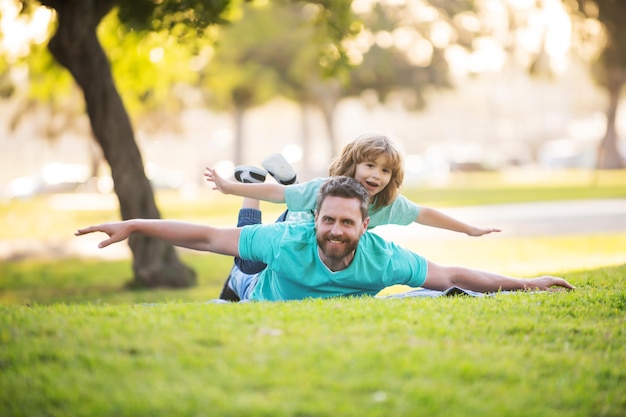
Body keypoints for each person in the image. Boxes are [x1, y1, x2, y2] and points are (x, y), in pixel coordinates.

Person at [75, 176, 574, 301]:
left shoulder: (383, 257)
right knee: (243, 259)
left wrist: (529, 283)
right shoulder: (291, 239)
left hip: (289, 255)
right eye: (328, 220)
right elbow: (205, 236)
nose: (335, 230)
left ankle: (262, 192)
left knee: (248, 247)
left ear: (365, 226)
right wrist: (136, 225)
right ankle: (253, 194)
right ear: (317, 219)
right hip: (259, 290)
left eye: (347, 223)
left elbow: (453, 275)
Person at [205, 132, 501, 298]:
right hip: (292, 231)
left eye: (385, 170)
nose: (376, 175)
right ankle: (252, 185)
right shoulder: (325, 188)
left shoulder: (387, 204)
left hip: (323, 237)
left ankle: (293, 183)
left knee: (299, 203)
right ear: (353, 164)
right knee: (249, 264)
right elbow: (278, 198)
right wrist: (231, 188)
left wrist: (468, 229)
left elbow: (424, 214)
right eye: (370, 166)